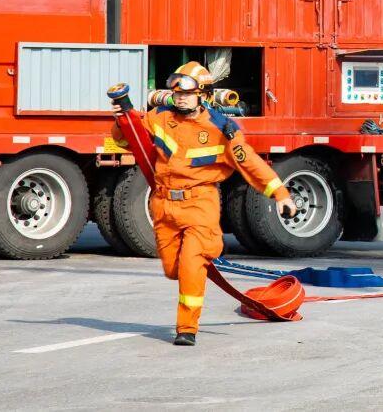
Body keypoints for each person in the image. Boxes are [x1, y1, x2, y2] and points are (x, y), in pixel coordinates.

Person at [110, 62, 295, 347]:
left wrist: (280, 194)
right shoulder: (160, 117)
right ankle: (188, 293)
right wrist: (121, 120)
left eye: (187, 94)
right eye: (177, 93)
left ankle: (187, 328)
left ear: (204, 95)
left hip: (200, 205)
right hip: (164, 205)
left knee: (191, 264)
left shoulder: (223, 129)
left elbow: (250, 164)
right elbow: (127, 141)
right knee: (172, 269)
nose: (180, 98)